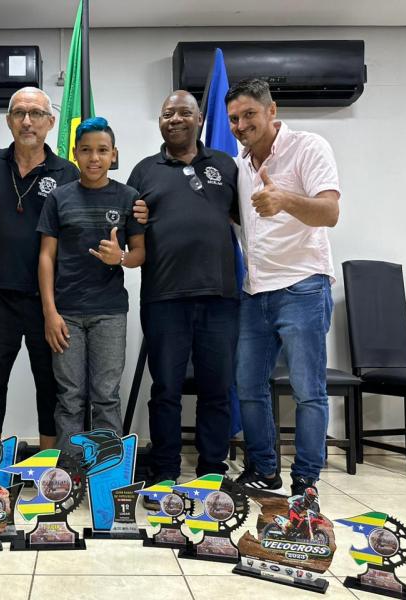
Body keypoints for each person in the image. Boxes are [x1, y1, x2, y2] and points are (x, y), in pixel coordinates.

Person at [226, 78, 340, 498]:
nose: (241, 125)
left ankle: (306, 481)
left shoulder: (308, 147)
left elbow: (330, 212)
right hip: (254, 291)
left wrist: (285, 200)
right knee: (248, 387)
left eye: (249, 115)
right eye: (234, 118)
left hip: (302, 287)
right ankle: (264, 470)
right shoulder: (237, 165)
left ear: (271, 111)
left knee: (309, 391)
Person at [127, 91, 240, 484]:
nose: (174, 119)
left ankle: (212, 472)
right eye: (166, 113)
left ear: (200, 118)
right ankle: (165, 471)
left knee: (217, 390)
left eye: (183, 112)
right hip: (164, 298)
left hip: (220, 298)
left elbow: (247, 221)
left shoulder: (226, 165)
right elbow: (129, 228)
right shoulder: (144, 171)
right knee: (166, 390)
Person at [0, 87, 79, 450]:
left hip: (47, 302)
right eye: (19, 113)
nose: (27, 121)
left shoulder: (67, 172)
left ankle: (48, 467)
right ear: (8, 120)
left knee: (50, 385)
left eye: (36, 113)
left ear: (51, 122)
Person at [38, 117, 145, 453]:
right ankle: (70, 470)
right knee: (69, 397)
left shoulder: (128, 197)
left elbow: (140, 253)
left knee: (106, 396)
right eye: (86, 150)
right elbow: (46, 257)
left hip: (109, 313)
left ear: (114, 154)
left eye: (102, 150)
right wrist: (50, 313)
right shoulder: (59, 198)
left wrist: (120, 258)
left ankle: (106, 470)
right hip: (66, 314)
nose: (94, 158)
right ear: (75, 154)